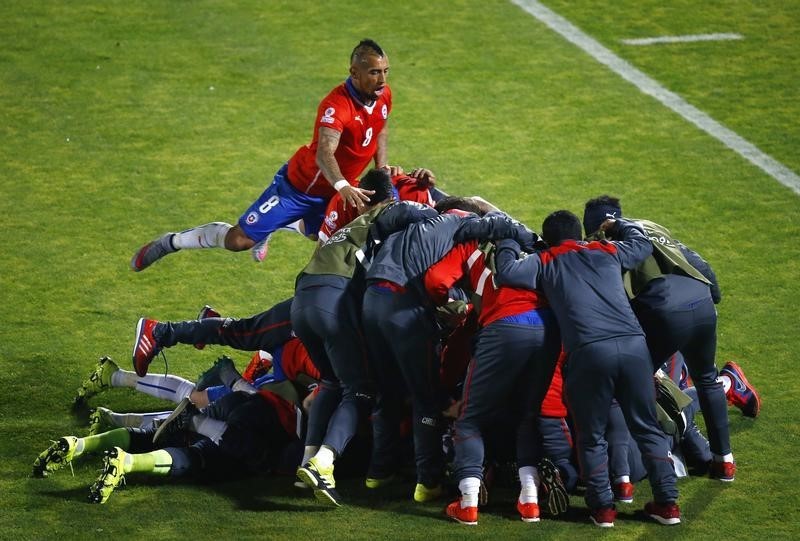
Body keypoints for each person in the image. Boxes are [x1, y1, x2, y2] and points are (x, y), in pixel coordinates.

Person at [131, 38, 392, 270]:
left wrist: (381, 168)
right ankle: (171, 242)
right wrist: (343, 185)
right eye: (374, 72)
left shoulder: (382, 95)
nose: (382, 80)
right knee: (239, 240)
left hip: (339, 190)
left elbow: (380, 127)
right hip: (300, 187)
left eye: (385, 71)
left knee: (318, 235)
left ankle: (279, 224)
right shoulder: (337, 106)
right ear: (354, 73)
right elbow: (324, 153)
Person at [494, 211, 680, 527]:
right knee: (646, 427)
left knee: (591, 436)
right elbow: (642, 244)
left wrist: (507, 239)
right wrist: (618, 225)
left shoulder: (547, 259)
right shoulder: (605, 250)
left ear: (547, 239)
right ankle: (668, 504)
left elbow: (508, 272)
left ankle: (603, 508)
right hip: (635, 347)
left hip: (589, 352)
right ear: (579, 233)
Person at [362, 198, 538, 503]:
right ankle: (428, 481)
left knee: (387, 390)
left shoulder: (413, 228)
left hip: (370, 302)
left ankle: (378, 472)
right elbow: (438, 279)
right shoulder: (460, 223)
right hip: (404, 308)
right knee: (426, 397)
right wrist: (531, 239)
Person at [582, 195, 740, 480]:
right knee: (706, 378)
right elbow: (694, 260)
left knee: (633, 383)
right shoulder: (649, 226)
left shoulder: (601, 246)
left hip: (664, 313)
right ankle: (724, 460)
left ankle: (660, 464)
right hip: (701, 301)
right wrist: (712, 296)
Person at [422, 237, 562, 525]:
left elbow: (436, 281)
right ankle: (530, 500)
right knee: (527, 417)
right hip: (550, 328)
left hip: (504, 326)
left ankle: (468, 501)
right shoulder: (541, 250)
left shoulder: (474, 247)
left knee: (470, 420)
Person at [32, 389, 300, 504]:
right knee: (198, 458)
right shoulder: (333, 383)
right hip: (267, 426)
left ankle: (79, 445)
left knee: (150, 436)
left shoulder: (298, 349)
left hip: (245, 398)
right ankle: (127, 463)